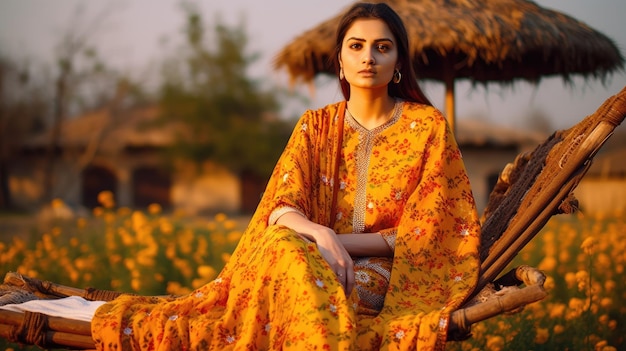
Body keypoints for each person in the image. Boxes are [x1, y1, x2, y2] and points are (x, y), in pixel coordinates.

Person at [92, 2, 481, 350]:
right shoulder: (316, 125)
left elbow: (430, 232)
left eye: (382, 47)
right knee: (282, 242)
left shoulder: (427, 127)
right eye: (356, 46)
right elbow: (281, 207)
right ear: (341, 61)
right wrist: (320, 235)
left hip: (385, 274)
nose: (368, 57)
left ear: (398, 62)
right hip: (309, 256)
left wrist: (339, 243)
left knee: (300, 286)